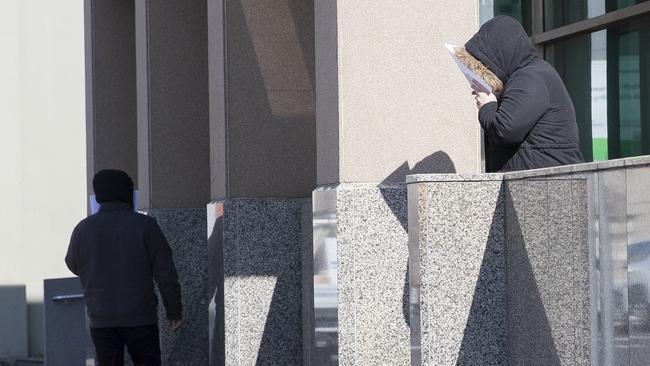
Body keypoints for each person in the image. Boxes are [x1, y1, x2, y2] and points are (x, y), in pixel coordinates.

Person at [65, 169, 182, 366]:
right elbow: (165, 273)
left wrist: (95, 270)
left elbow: (72, 263)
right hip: (141, 317)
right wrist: (174, 310)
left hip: (101, 317)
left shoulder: (83, 229)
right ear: (126, 193)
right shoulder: (145, 225)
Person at [463, 15, 584, 172]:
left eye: (485, 64)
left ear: (499, 55)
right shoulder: (529, 75)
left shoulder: (529, 77)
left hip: (546, 184)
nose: (485, 70)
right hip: (541, 182)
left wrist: (488, 106)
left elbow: (504, 130)